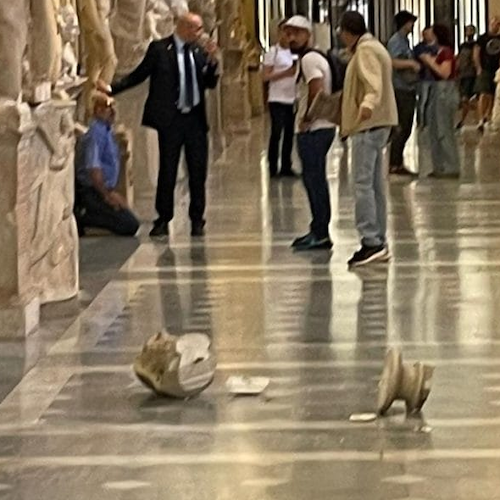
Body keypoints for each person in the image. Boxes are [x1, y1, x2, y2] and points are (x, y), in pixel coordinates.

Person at [98, 13, 219, 238]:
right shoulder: (160, 49)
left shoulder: (198, 51)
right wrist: (112, 88)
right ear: (184, 28)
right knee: (168, 170)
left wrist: (212, 62)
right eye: (197, 28)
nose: (201, 33)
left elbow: (209, 83)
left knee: (197, 171)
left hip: (195, 120)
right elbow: (139, 75)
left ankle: (197, 219)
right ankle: (163, 219)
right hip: (171, 121)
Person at [339, 11, 398, 268]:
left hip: (368, 125)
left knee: (362, 184)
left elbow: (373, 84)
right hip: (377, 124)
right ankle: (378, 239)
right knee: (374, 184)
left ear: (347, 31)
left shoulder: (366, 51)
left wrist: (367, 105)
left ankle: (370, 240)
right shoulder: (375, 47)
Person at [284, 15, 335, 251]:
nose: (291, 38)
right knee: (315, 179)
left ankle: (320, 232)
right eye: (288, 33)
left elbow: (316, 88)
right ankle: (318, 228)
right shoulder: (314, 57)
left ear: (308, 35)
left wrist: (307, 118)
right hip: (321, 128)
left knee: (314, 181)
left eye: (296, 33)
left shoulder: (309, 60)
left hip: (314, 129)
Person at [75, 94, 140, 237]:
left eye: (112, 107)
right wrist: (107, 195)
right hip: (92, 191)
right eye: (107, 108)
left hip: (103, 189)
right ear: (97, 111)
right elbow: (94, 169)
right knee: (129, 225)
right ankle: (82, 217)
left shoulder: (106, 130)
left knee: (130, 219)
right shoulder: (95, 134)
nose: (112, 112)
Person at [419, 24, 460, 178]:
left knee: (444, 129)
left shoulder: (446, 52)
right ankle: (440, 165)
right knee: (435, 128)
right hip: (436, 90)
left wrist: (430, 62)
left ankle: (450, 165)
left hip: (444, 90)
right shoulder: (439, 52)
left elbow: (445, 72)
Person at [262, 19, 298, 178]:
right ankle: (272, 166)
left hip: (292, 98)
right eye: (285, 31)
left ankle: (286, 165)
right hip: (277, 98)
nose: (288, 35)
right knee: (277, 132)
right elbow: (265, 76)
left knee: (290, 133)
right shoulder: (273, 52)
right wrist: (286, 73)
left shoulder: (295, 52)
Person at [387, 10, 420, 176]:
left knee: (406, 126)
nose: (412, 26)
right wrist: (411, 64)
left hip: (408, 88)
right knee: (402, 126)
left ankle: (397, 161)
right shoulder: (396, 41)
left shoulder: (404, 41)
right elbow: (392, 61)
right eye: (410, 22)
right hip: (400, 89)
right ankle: (394, 163)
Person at [474, 17, 500, 133]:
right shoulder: (482, 38)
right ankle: (480, 119)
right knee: (483, 93)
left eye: (498, 24)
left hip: (497, 69)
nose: (495, 26)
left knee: (494, 94)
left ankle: (489, 116)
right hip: (485, 68)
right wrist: (478, 67)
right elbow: (476, 53)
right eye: (494, 23)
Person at [413, 26, 438, 127]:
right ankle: (421, 121)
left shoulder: (438, 46)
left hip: (435, 77)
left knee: (434, 100)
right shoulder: (419, 47)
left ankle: (432, 121)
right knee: (423, 100)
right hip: (423, 78)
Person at [456, 25, 477, 129]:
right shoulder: (462, 45)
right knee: (464, 97)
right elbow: (459, 59)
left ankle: (464, 119)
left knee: (466, 97)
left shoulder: (475, 45)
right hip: (463, 73)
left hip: (470, 73)